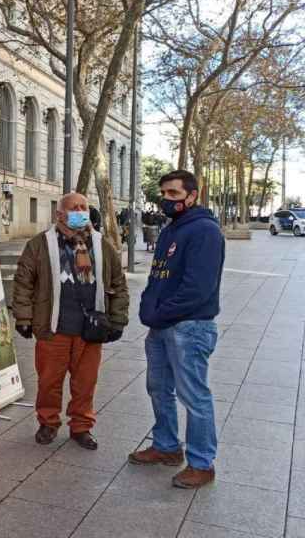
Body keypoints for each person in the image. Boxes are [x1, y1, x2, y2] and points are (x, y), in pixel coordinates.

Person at [129, 170, 224, 489]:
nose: (167, 200)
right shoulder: (172, 230)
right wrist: (147, 307)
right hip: (161, 327)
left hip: (190, 327)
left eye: (174, 194)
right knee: (158, 388)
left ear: (192, 195)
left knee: (194, 396)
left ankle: (201, 463)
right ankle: (167, 446)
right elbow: (159, 277)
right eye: (164, 194)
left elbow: (198, 288)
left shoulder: (205, 231)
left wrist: (160, 313)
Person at [12, 192, 129, 450]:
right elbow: (23, 283)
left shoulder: (101, 244)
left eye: (84, 207)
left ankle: (81, 427)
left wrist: (118, 319)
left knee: (85, 383)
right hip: (54, 329)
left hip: (90, 330)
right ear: (59, 214)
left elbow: (119, 283)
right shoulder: (40, 245)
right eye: (74, 207)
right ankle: (48, 422)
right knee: (49, 382)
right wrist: (23, 317)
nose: (80, 212)